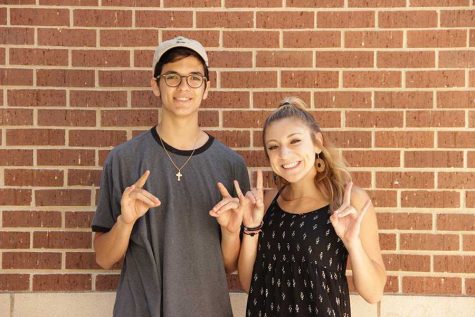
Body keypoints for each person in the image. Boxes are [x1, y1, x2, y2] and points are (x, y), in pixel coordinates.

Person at [91, 36, 250, 317]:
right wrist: (125, 222)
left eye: (194, 78)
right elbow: (104, 258)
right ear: (156, 85)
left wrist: (228, 232)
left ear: (206, 88)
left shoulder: (231, 165)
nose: (183, 87)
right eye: (172, 77)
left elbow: (228, 265)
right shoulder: (123, 159)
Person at [210, 97, 386, 316]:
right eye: (274, 147)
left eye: (294, 141)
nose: (284, 154)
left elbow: (374, 293)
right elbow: (249, 285)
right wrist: (251, 228)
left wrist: (354, 244)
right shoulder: (265, 203)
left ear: (317, 142)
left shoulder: (349, 201)